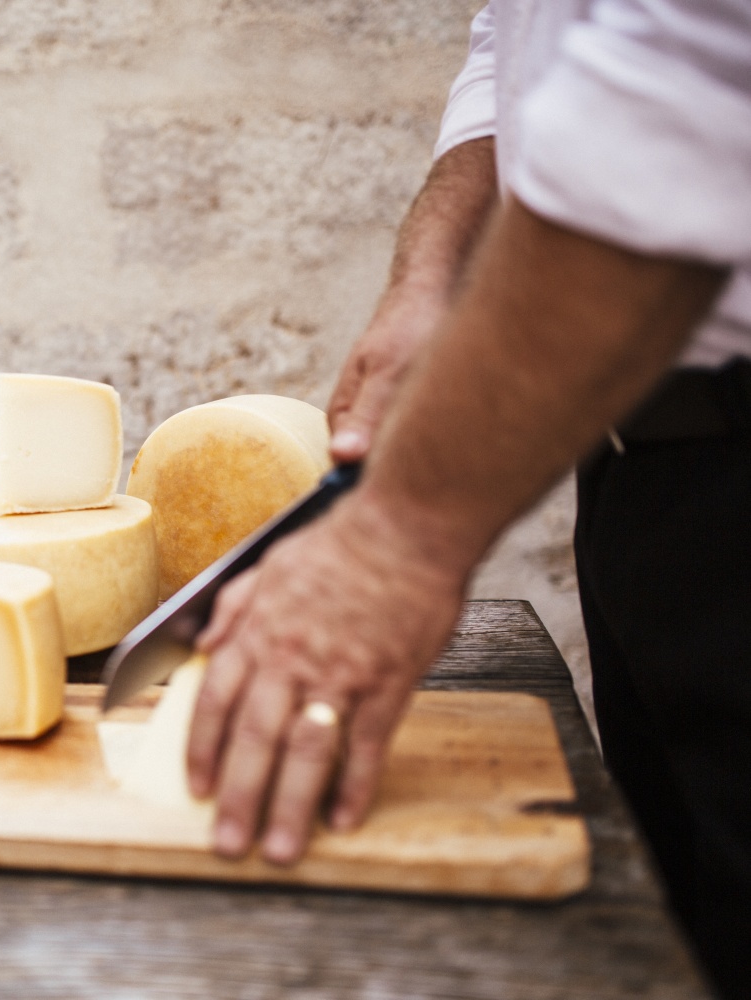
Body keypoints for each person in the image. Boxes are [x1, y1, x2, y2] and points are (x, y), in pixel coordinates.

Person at [184, 2, 750, 994]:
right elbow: (523, 40)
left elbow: (685, 90)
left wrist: (394, 539)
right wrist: (432, 275)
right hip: (638, 461)